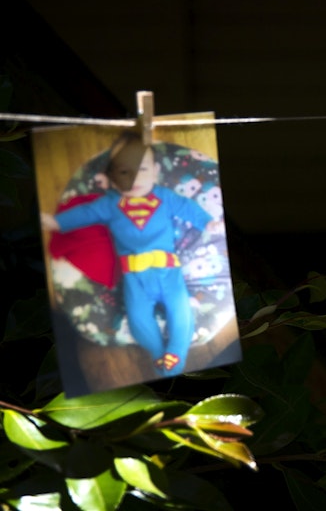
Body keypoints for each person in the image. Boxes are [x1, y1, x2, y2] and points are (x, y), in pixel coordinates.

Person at [41, 131, 219, 376]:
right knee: (138, 320)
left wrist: (207, 222)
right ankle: (158, 354)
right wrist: (57, 222)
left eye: (142, 169)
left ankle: (176, 351)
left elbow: (187, 207)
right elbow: (85, 214)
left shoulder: (165, 197)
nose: (134, 177)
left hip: (169, 273)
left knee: (181, 312)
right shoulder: (110, 204)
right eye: (124, 171)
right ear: (113, 178)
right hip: (134, 279)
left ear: (155, 171)